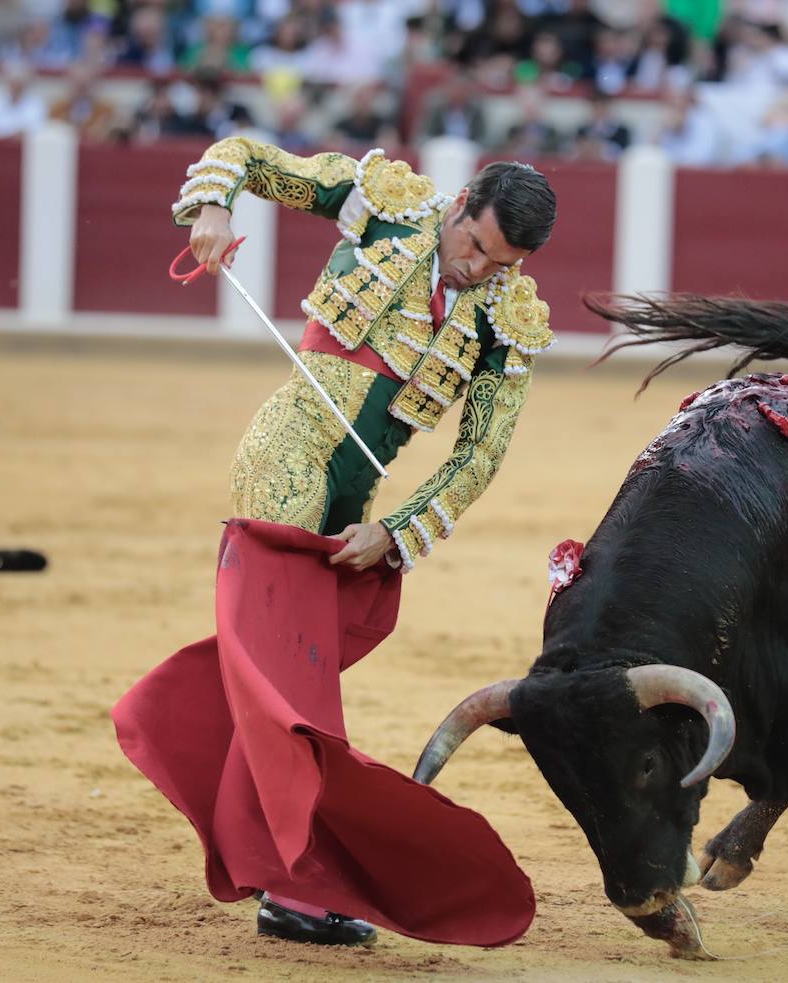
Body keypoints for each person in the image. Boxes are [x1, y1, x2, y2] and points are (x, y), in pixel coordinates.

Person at [171, 141, 556, 942]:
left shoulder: (506, 319)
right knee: (292, 673)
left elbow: (479, 453)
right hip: (291, 444)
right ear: (457, 207)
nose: (482, 269)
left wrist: (397, 529)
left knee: (292, 667)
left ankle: (258, 839)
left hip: (361, 499)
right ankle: (299, 876)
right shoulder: (384, 204)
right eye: (476, 245)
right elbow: (243, 156)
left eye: (504, 262)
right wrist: (212, 207)